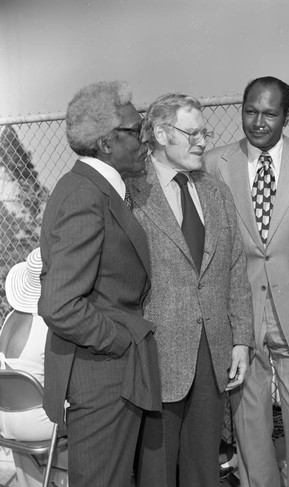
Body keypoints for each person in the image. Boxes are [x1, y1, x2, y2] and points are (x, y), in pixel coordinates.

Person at [205, 76, 289, 487]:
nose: (258, 122)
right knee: (249, 416)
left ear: (288, 116)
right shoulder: (215, 163)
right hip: (241, 316)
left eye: (269, 113)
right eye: (250, 111)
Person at [38, 81, 161, 487]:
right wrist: (117, 342)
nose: (146, 140)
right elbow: (59, 304)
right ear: (107, 142)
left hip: (107, 371)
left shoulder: (99, 190)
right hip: (101, 373)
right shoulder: (84, 195)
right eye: (136, 130)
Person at [130, 93, 254, 487]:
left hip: (213, 352)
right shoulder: (131, 191)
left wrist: (241, 340)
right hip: (155, 353)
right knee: (157, 470)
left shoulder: (215, 192)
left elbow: (234, 267)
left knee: (203, 468)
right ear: (162, 133)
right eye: (193, 132)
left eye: (205, 132)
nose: (203, 141)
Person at [0, 247, 67, 487]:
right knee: (89, 408)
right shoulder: (48, 326)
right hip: (36, 426)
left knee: (30, 406)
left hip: (4, 417)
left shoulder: (9, 318)